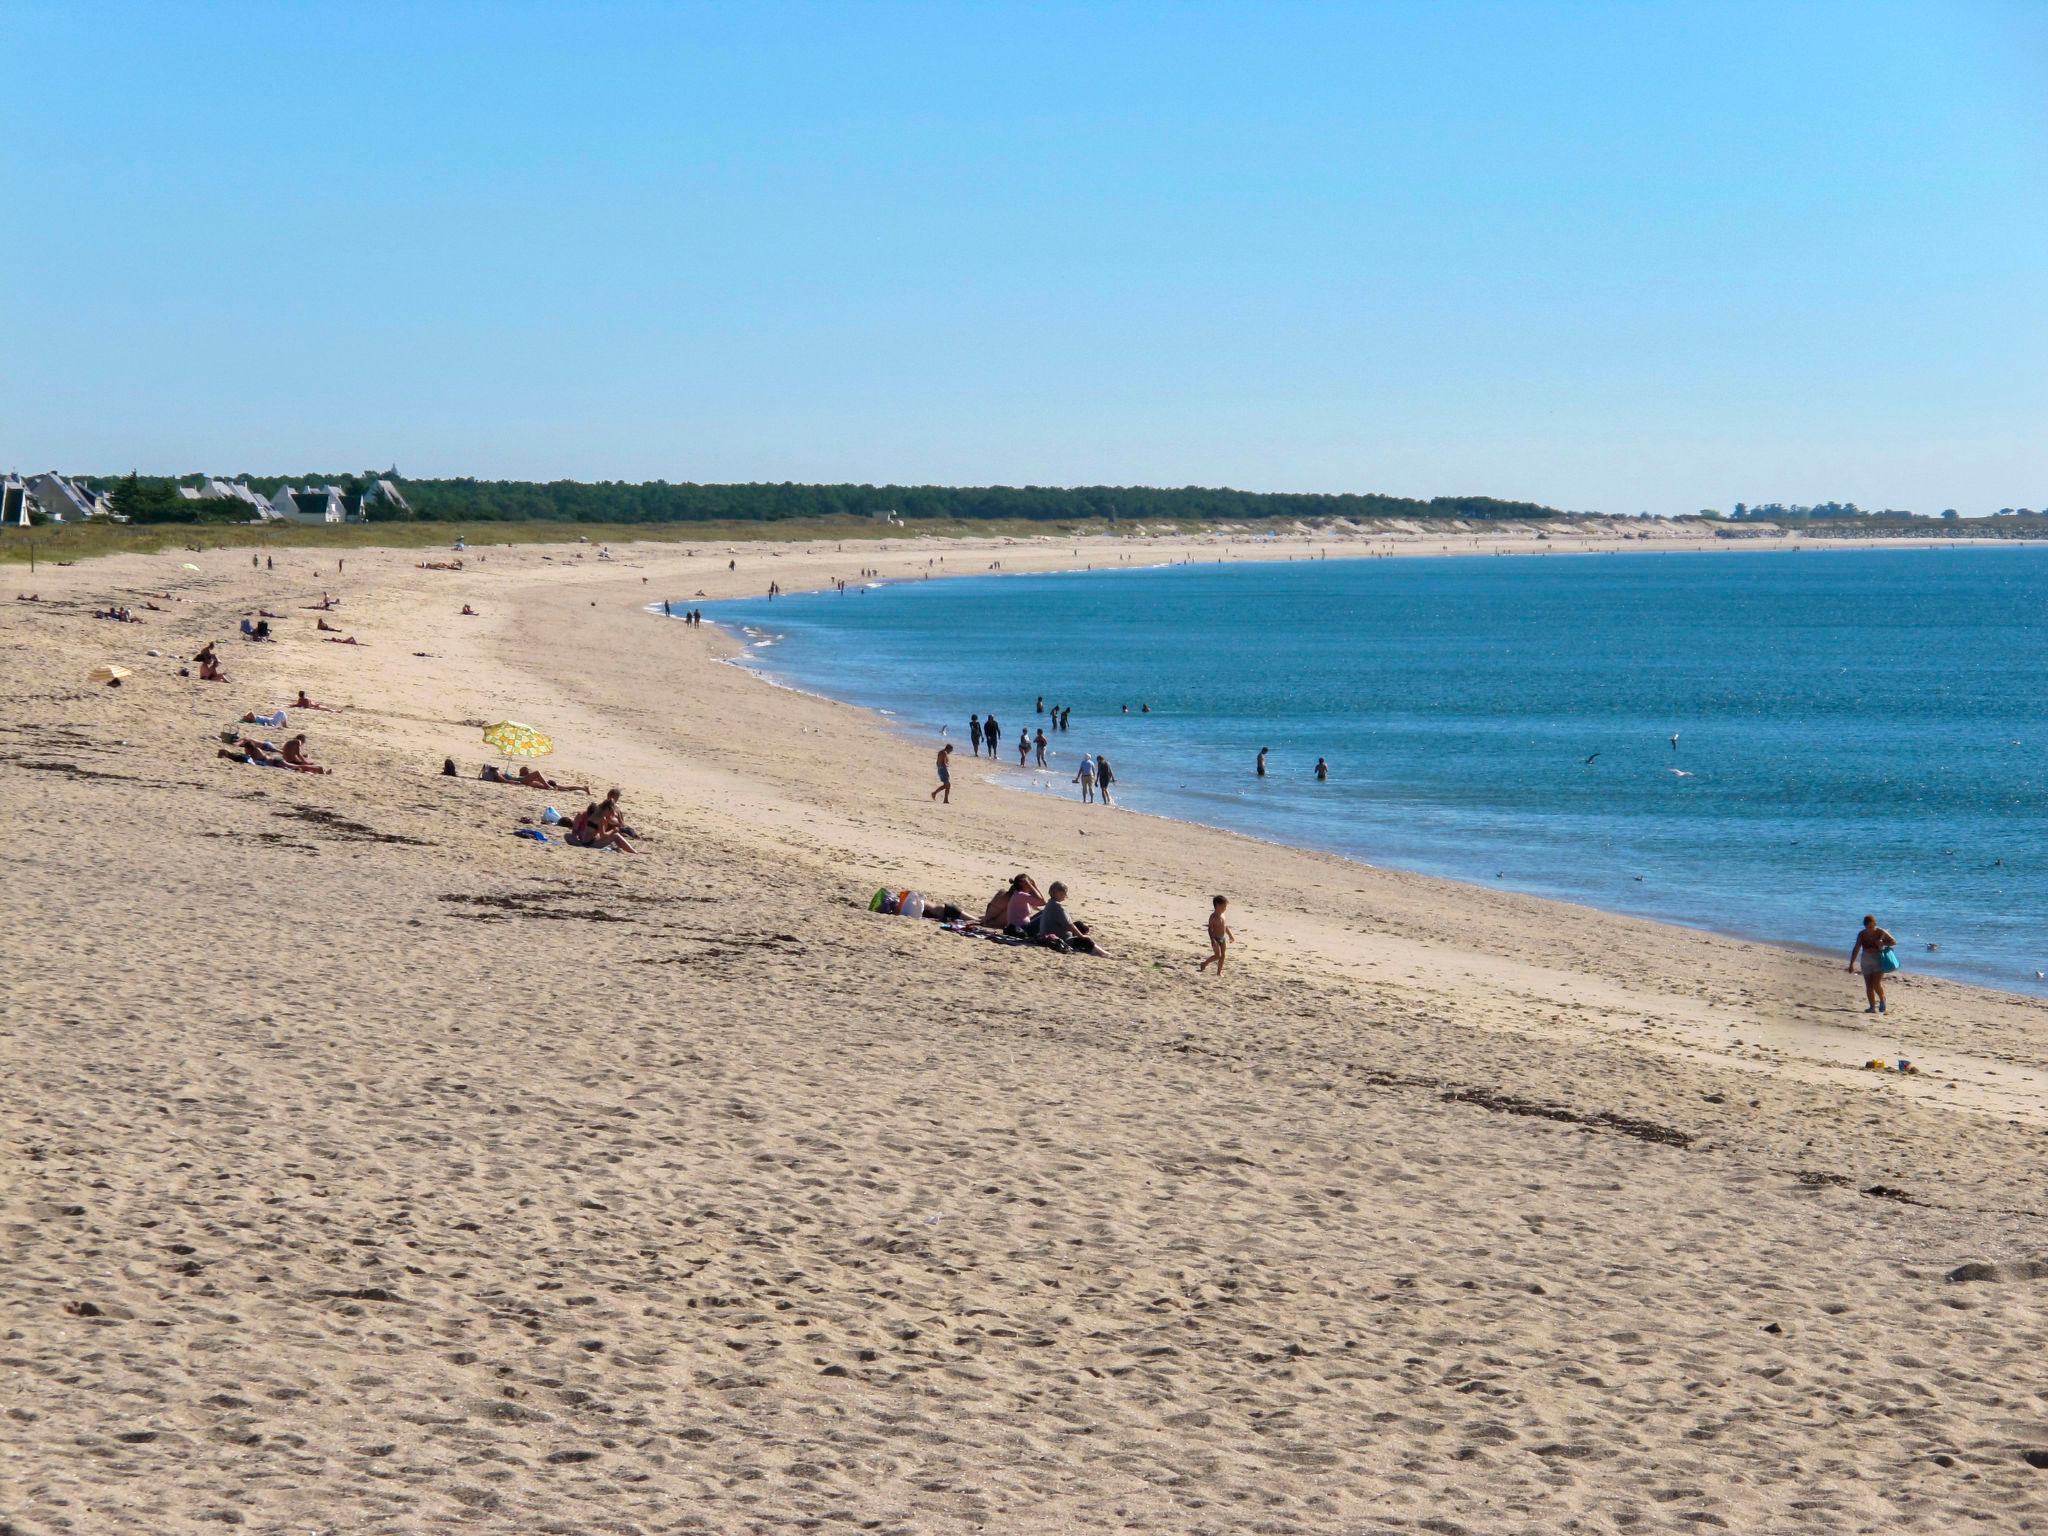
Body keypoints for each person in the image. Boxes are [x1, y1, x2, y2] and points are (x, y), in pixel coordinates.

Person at [1848, 915, 1898, 1014]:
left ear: (1875, 924)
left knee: (1876, 984)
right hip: (1865, 960)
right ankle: (1872, 1007)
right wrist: (1851, 963)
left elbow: (1893, 942)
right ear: (1865, 926)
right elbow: (1857, 948)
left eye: (1871, 926)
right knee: (1869, 986)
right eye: (1867, 927)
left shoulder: (1880, 932)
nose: (1869, 929)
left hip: (1878, 959)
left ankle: (1882, 999)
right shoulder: (1862, 934)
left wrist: (1882, 942)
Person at [1198, 895, 1234, 974]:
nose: (1225, 908)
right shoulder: (1213, 917)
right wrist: (1212, 940)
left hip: (1222, 938)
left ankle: (1219, 972)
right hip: (1215, 939)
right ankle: (1204, 963)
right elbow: (1210, 929)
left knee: (1223, 956)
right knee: (1218, 955)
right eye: (1224, 906)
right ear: (1217, 905)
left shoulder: (1223, 915)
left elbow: (1225, 927)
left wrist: (1230, 935)